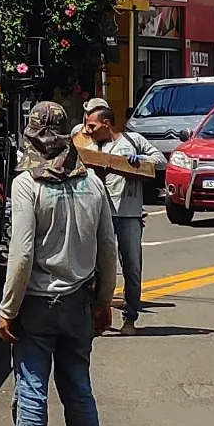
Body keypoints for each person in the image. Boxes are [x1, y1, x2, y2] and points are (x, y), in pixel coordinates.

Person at [0, 100, 117, 426]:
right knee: (79, 389)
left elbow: (22, 255)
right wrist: (104, 301)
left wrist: (7, 310)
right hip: (79, 301)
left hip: (36, 304)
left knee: (32, 389)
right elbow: (107, 249)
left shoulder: (26, 185)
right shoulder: (93, 183)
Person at [80, 96, 164, 335]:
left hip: (129, 215)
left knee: (132, 267)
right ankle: (96, 317)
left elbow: (160, 161)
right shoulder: (90, 148)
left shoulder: (133, 140)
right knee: (96, 268)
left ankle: (130, 318)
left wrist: (142, 160)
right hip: (100, 215)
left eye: (92, 125)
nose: (89, 130)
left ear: (106, 123)